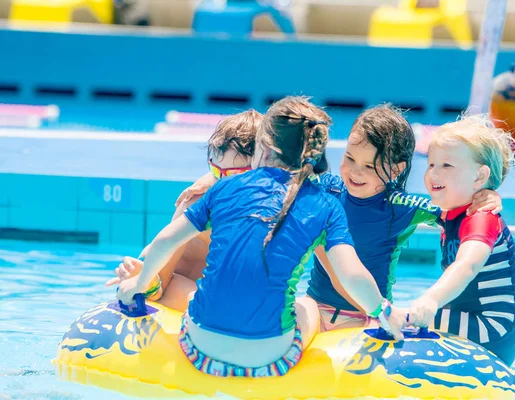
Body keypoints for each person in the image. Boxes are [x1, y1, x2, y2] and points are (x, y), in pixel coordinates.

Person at [116, 96, 408, 377]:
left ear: (263, 147)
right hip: (269, 355)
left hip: (198, 345)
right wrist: (383, 312)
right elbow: (352, 273)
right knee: (308, 306)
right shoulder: (325, 204)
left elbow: (165, 242)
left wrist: (137, 286)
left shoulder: (223, 188)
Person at [106, 110, 262, 311]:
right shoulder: (196, 203)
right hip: (170, 280)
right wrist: (147, 282)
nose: (221, 183)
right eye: (215, 171)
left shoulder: (272, 205)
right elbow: (163, 274)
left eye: (233, 175)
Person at [408, 114, 515, 366]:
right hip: (469, 319)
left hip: (492, 328)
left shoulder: (481, 217)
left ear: (479, 177)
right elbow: (404, 206)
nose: (433, 174)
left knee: (404, 320)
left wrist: (431, 299)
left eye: (447, 166)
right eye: (430, 164)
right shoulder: (451, 213)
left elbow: (467, 264)